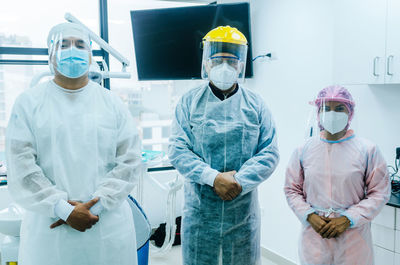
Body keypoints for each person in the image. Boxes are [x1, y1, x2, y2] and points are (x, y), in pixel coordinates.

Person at [5, 22, 141, 265]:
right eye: (63, 44)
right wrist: (63, 209)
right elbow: (21, 167)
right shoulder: (28, 103)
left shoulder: (112, 104)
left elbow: (129, 162)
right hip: (50, 228)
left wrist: (93, 209)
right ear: (51, 54)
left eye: (79, 44)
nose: (72, 49)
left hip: (105, 225)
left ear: (90, 54)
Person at [168, 26, 279, 265]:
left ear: (241, 65)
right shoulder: (189, 102)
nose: (225, 67)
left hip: (242, 212)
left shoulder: (256, 104)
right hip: (200, 211)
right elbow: (178, 149)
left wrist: (237, 181)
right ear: (206, 64)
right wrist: (212, 178)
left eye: (231, 61)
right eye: (218, 60)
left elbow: (269, 152)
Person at [284, 85, 390, 265]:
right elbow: (291, 190)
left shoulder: (367, 150)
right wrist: (310, 216)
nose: (332, 113)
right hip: (315, 235)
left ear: (350, 113)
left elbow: (379, 193)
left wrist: (348, 219)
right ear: (318, 113)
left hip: (353, 238)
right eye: (327, 108)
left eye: (339, 108)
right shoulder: (304, 150)